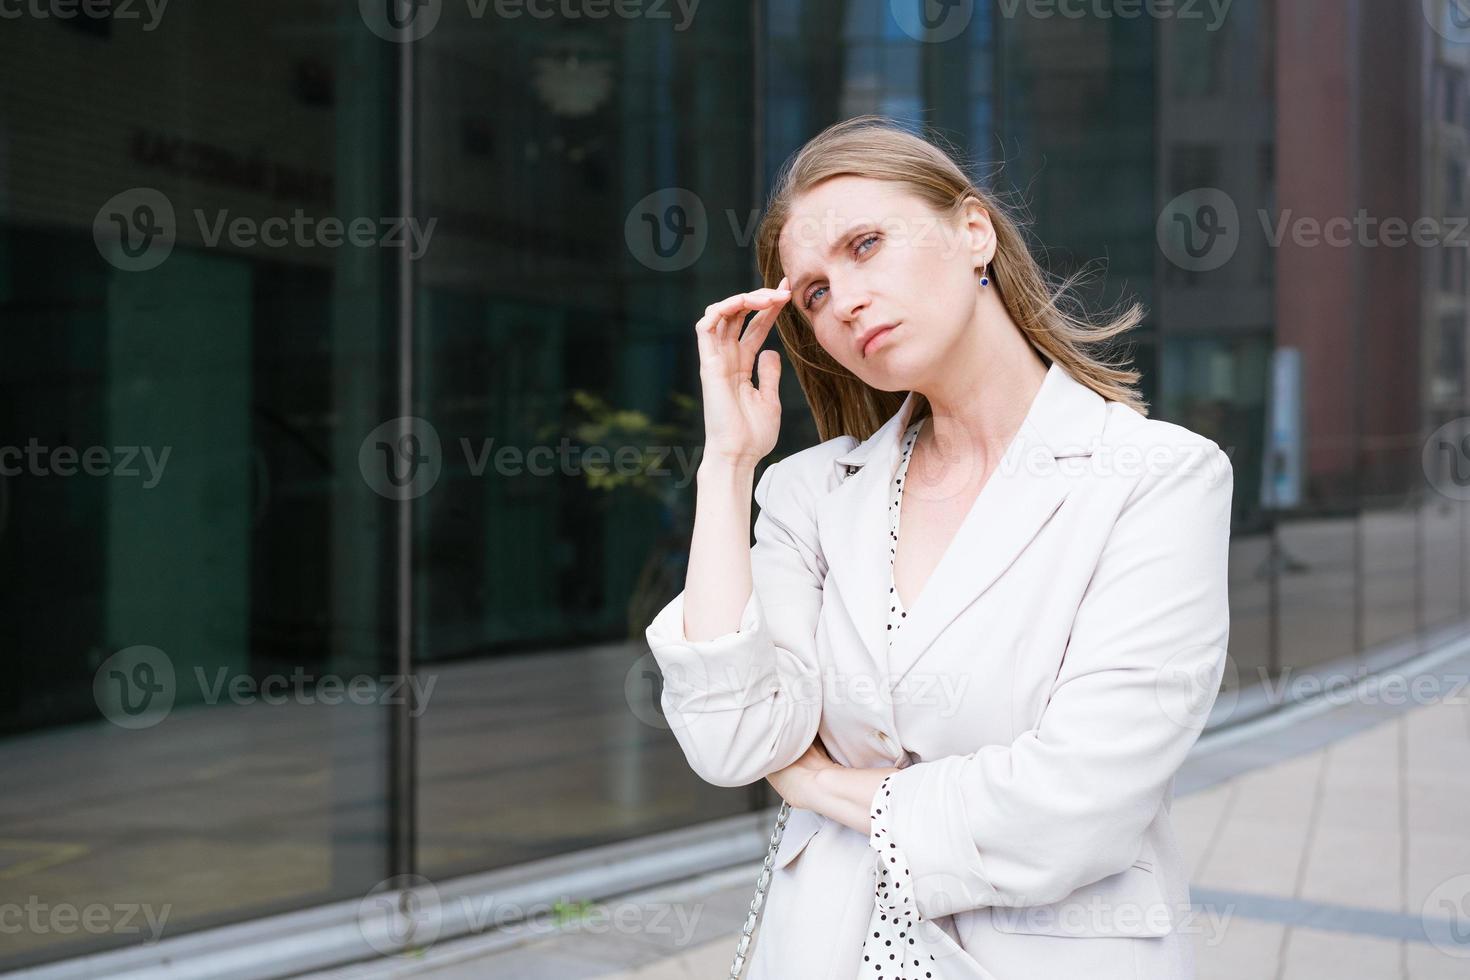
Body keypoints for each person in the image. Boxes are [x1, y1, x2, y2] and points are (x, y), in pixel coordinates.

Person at [644, 115, 1233, 979]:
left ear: (972, 231)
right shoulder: (810, 494)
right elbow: (733, 739)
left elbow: (1076, 806)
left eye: (867, 244)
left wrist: (821, 786)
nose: (842, 300)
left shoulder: (1157, 478)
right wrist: (728, 464)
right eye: (811, 293)